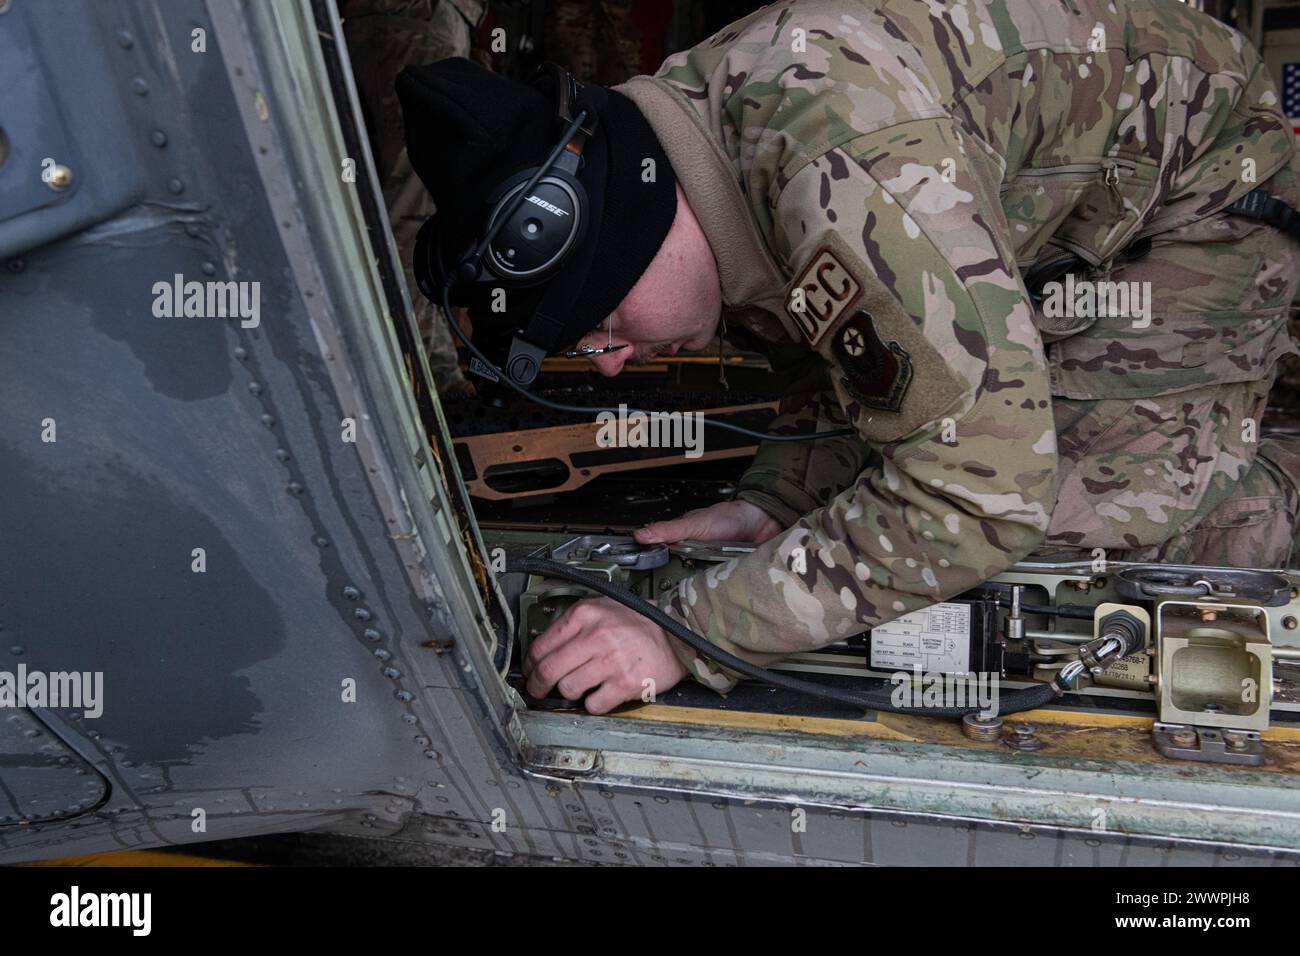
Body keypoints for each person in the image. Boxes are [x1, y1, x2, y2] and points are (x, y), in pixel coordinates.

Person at [397, 0, 1300, 714]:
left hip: (1202, 193)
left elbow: (980, 497)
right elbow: (837, 355)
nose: (606, 364)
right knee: (901, 497)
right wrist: (779, 503)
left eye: (600, 326)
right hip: (1054, 214)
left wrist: (685, 633)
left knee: (1072, 521)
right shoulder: (689, 149)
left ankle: (1259, 490)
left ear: (628, 234)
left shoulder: (838, 162)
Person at [343, 0, 488, 398]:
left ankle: (421, 360)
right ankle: (422, 371)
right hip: (424, 21)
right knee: (414, 207)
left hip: (387, 19)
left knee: (380, 199)